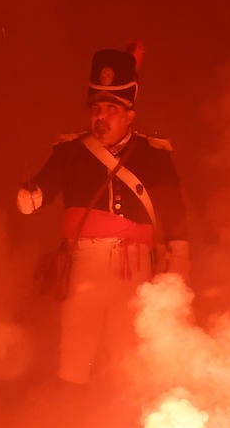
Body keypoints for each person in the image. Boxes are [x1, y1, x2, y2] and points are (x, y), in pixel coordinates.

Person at [17, 44, 190, 386]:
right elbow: (43, 189)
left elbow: (173, 209)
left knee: (129, 362)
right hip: (85, 266)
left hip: (135, 267)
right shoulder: (70, 152)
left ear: (130, 115)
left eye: (112, 108)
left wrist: (180, 256)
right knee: (74, 358)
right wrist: (32, 195)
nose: (102, 116)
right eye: (97, 107)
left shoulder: (153, 156)